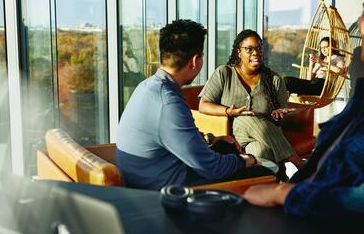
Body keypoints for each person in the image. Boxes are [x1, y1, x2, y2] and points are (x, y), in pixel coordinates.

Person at [116, 20, 271, 191]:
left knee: (224, 147)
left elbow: (173, 137)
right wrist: (246, 160)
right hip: (165, 192)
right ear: (195, 61)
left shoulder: (148, 86)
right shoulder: (168, 103)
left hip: (149, 175)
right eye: (203, 56)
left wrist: (212, 140)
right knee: (262, 173)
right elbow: (212, 168)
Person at [243, 76, 364, 223]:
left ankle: (282, 174)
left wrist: (282, 192)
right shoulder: (357, 105)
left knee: (261, 141)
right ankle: (290, 167)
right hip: (302, 202)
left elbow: (357, 199)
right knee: (254, 125)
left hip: (317, 213)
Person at [199, 29, 304, 174]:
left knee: (261, 151)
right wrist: (229, 111)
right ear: (239, 52)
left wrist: (278, 114)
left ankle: (276, 182)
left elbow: (281, 115)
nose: (255, 53)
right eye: (249, 49)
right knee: (244, 118)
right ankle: (298, 163)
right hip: (233, 132)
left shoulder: (274, 80)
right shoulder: (224, 73)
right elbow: (203, 105)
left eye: (259, 48)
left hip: (264, 136)